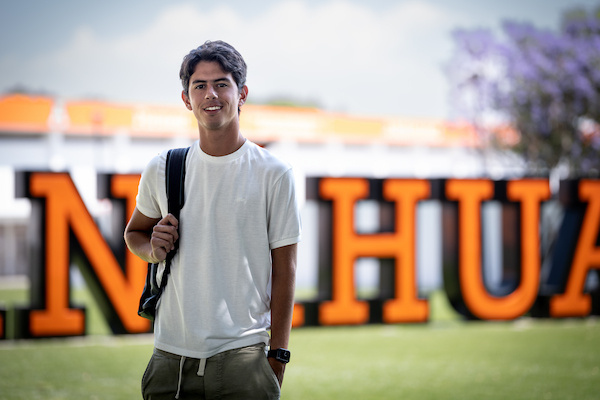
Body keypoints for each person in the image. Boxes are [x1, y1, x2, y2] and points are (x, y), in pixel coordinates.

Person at [124, 40, 302, 400]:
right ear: (186, 99)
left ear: (242, 94)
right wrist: (154, 250)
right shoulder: (163, 168)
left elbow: (286, 270)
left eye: (222, 84)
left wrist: (278, 356)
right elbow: (135, 234)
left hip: (244, 355)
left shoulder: (274, 173)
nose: (211, 95)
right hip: (170, 356)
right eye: (199, 86)